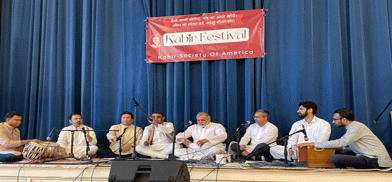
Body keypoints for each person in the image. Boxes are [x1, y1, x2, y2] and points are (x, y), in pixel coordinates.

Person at [298, 108, 392, 169]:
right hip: (365, 156)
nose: (333, 122)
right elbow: (351, 146)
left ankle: (350, 169)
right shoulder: (353, 127)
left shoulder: (356, 127)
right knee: (338, 151)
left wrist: (313, 144)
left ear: (344, 120)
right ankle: (351, 167)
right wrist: (339, 148)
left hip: (375, 160)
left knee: (336, 158)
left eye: (335, 119)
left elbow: (341, 142)